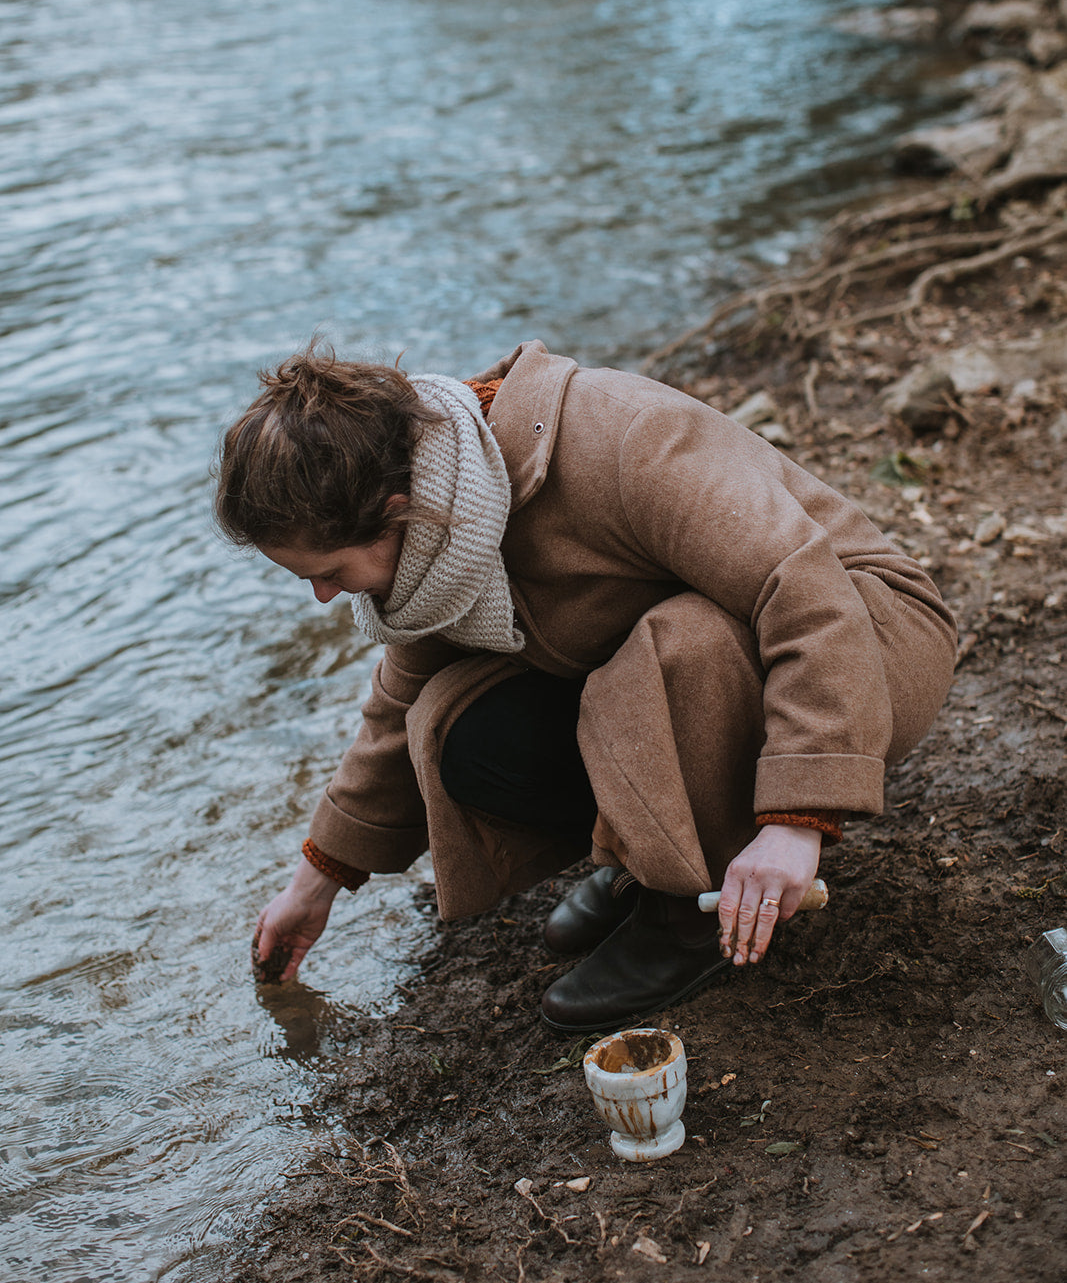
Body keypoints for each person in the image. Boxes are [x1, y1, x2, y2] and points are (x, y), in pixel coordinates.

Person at [214, 338, 956, 1033]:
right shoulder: (441, 524)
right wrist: (319, 878)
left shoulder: (623, 439)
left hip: (868, 636)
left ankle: (687, 914)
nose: (321, 598)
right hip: (713, 657)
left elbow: (804, 593)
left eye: (327, 573)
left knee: (673, 649)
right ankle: (644, 858)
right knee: (452, 722)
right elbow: (398, 704)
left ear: (394, 513)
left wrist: (799, 819)